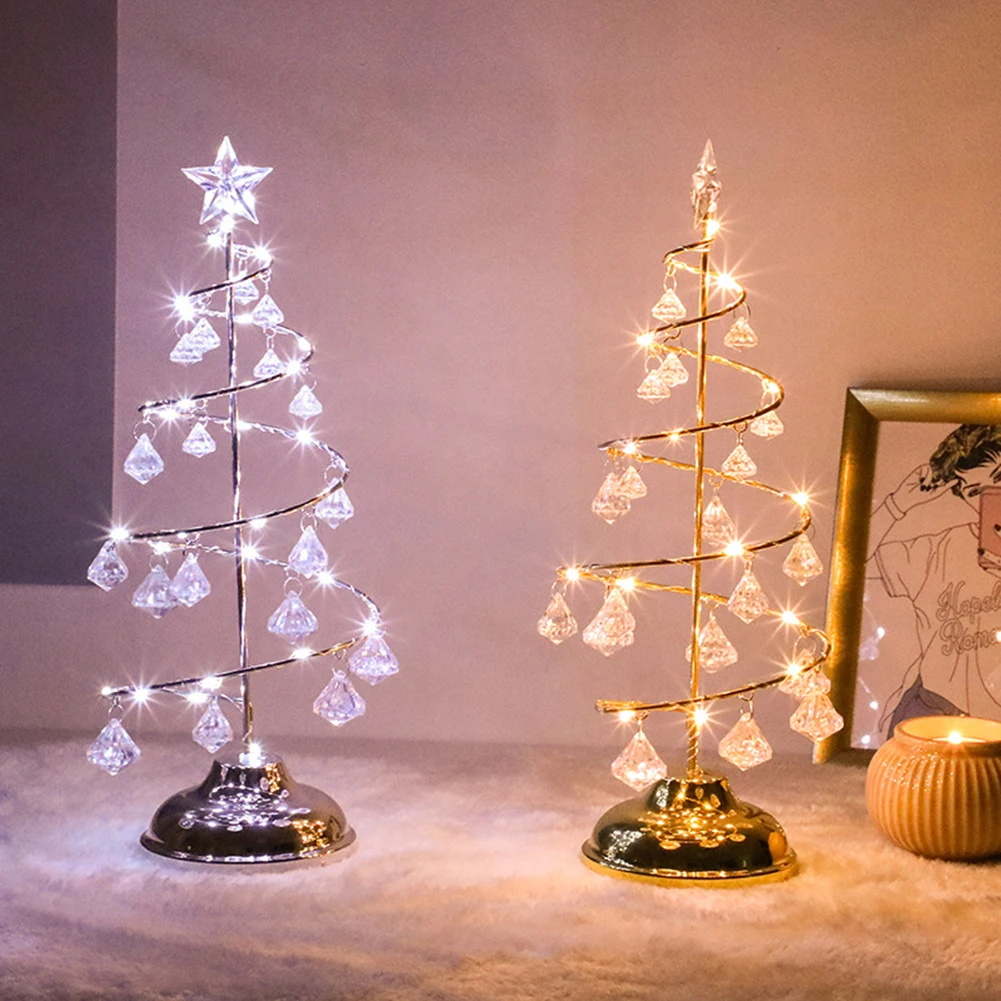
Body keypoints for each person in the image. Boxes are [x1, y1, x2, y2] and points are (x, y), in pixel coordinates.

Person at [866, 424, 1001, 735]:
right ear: (963, 497)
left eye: (1000, 478)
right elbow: (850, 563)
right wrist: (898, 504)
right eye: (976, 492)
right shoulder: (938, 550)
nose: (994, 497)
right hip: (933, 711)